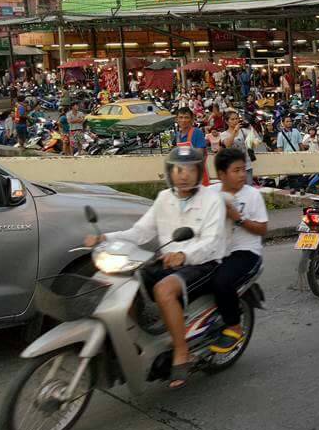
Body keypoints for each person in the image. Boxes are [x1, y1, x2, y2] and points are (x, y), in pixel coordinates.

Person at [84, 147, 226, 389]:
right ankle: (129, 342)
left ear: (198, 171)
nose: (184, 175)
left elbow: (212, 241)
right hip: (169, 260)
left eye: (190, 169)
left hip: (204, 263)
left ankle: (182, 353)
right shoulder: (164, 198)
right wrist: (104, 238)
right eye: (178, 169)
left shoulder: (212, 200)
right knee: (124, 281)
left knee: (163, 290)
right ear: (170, 171)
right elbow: (139, 232)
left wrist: (184, 254)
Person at [208, 148, 267, 354]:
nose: (242, 174)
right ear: (222, 174)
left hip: (245, 251)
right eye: (236, 170)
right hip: (215, 250)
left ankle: (234, 326)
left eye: (243, 169)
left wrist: (238, 218)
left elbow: (262, 229)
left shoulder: (252, 196)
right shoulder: (210, 193)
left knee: (221, 282)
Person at [174, 107, 210, 185]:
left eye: (186, 117)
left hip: (199, 177)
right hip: (185, 178)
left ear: (192, 119)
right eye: (181, 117)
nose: (183, 120)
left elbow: (199, 155)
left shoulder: (197, 132)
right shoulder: (178, 135)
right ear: (176, 119)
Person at [220, 111, 257, 185]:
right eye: (232, 119)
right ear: (227, 121)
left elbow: (256, 140)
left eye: (236, 119)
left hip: (246, 165)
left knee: (248, 188)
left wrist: (250, 127)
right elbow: (228, 144)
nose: (235, 121)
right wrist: (235, 131)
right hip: (232, 167)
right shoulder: (223, 134)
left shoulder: (243, 131)